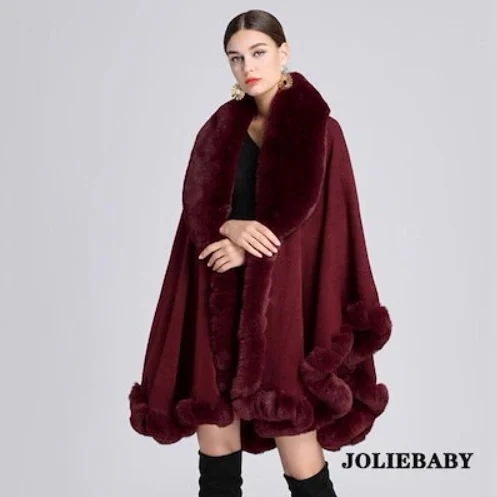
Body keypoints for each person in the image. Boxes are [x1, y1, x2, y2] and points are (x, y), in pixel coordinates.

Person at [128, 9, 392, 497]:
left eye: (258, 52)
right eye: (235, 58)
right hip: (216, 303)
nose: (247, 66)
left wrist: (250, 250)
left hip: (286, 312)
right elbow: (198, 210)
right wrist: (229, 226)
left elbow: (325, 231)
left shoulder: (321, 133)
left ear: (283, 53)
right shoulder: (219, 130)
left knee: (300, 453)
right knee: (217, 454)